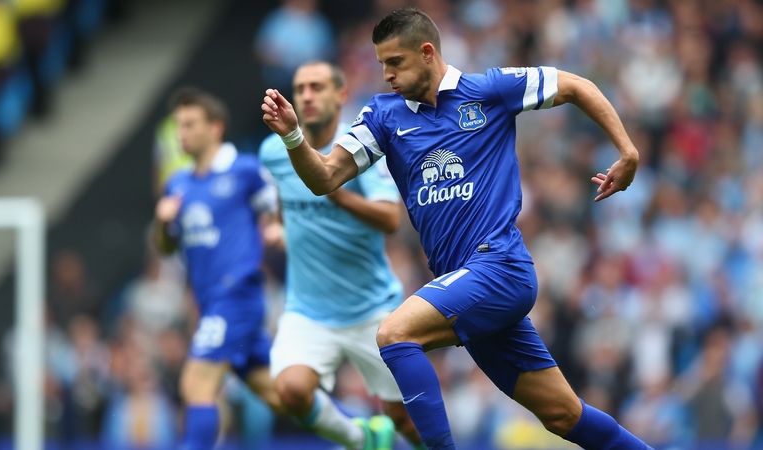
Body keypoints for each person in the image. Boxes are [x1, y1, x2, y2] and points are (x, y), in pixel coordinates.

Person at [261, 7, 654, 450]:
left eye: (395, 63)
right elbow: (324, 177)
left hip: (499, 266)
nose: (386, 74)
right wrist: (294, 136)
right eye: (381, 64)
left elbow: (577, 86)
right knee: (564, 415)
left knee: (395, 333)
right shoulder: (383, 116)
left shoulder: (489, 90)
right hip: (461, 282)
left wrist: (628, 152)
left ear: (427, 53)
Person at [259, 61, 425, 450]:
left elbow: (389, 219)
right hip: (308, 311)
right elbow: (285, 196)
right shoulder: (273, 150)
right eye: (300, 89)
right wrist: (281, 228)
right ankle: (361, 439)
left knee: (405, 419)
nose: (307, 96)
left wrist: (332, 189)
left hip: (372, 310)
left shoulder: (360, 148)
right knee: (291, 391)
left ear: (341, 95)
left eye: (317, 87)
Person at [155, 87, 285, 450]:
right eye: (179, 125)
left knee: (195, 384)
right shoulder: (177, 185)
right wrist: (163, 223)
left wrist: (276, 226)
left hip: (238, 294)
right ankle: (364, 434)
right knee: (282, 395)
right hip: (210, 303)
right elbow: (166, 247)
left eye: (190, 124)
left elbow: (277, 209)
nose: (183, 133)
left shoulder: (243, 170)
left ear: (216, 127)